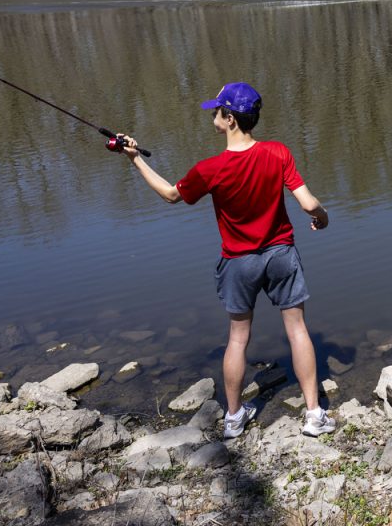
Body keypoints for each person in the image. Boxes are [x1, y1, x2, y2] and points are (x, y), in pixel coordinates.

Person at [118, 82, 336, 440]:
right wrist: (323, 216)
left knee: (237, 339)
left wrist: (135, 159)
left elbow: (171, 195)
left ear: (230, 119)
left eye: (217, 110)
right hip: (281, 254)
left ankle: (234, 418)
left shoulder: (210, 169)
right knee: (297, 331)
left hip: (238, 262)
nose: (213, 115)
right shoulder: (278, 153)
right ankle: (314, 415)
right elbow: (309, 205)